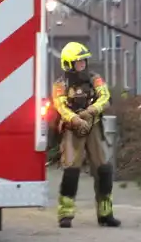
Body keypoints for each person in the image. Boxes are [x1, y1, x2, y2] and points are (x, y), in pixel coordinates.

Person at [52, 42, 121, 229]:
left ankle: (106, 213)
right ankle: (65, 213)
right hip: (72, 131)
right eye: (78, 62)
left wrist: (92, 110)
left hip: (94, 127)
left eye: (84, 61)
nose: (82, 64)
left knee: (103, 169)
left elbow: (105, 96)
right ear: (69, 64)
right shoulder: (60, 84)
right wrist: (75, 119)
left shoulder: (95, 78)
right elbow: (60, 105)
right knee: (71, 170)